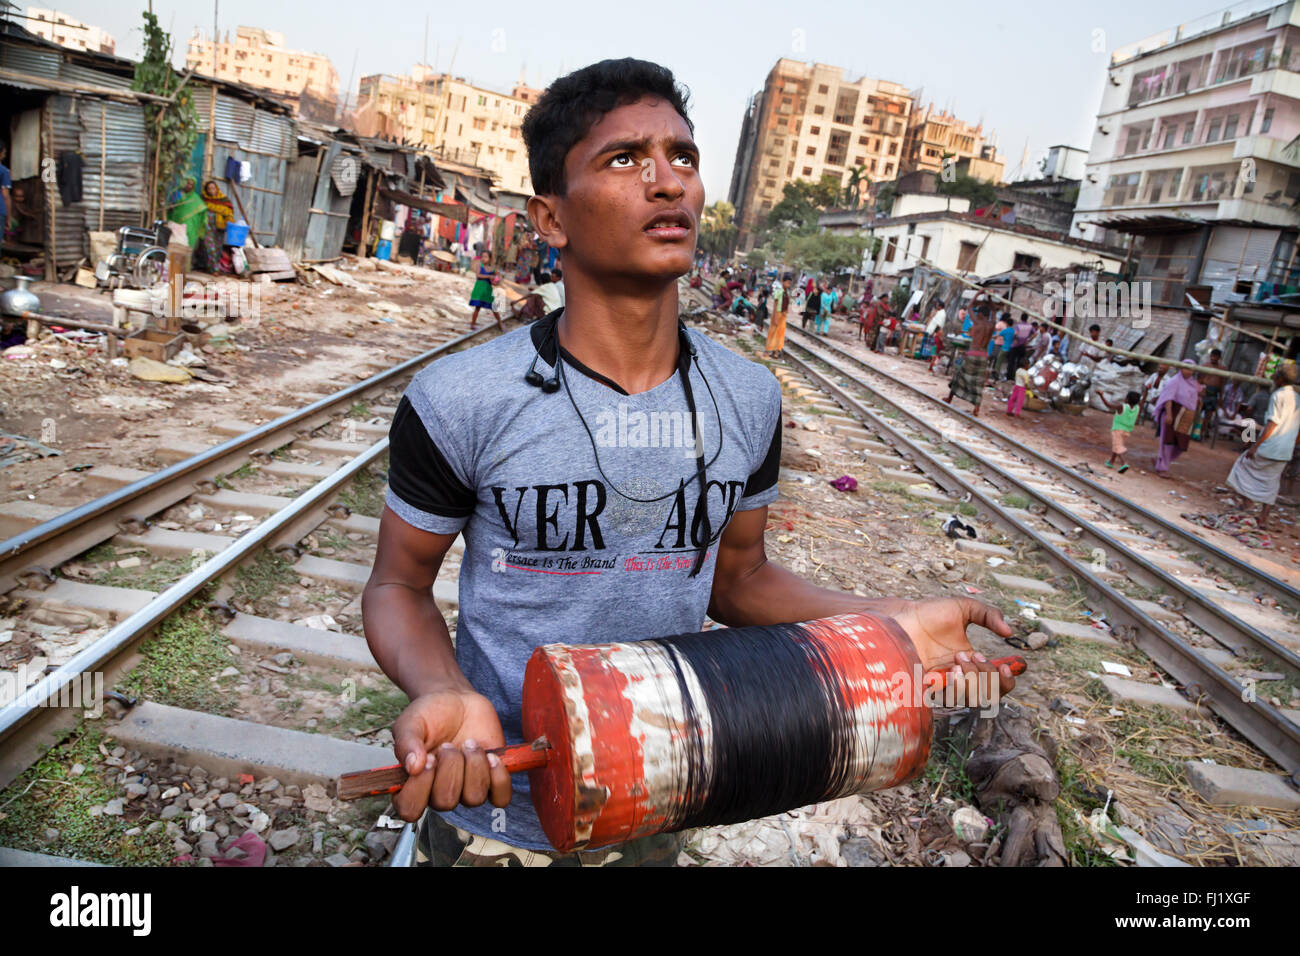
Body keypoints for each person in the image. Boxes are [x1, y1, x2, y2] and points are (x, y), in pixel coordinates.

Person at [366, 58, 1015, 868]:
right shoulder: (463, 398)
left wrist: (888, 626)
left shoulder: (747, 399)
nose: (669, 183)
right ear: (551, 218)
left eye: (684, 157)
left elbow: (738, 579)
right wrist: (445, 691)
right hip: (496, 812)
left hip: (660, 801)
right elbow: (398, 585)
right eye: (625, 159)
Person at [1227, 362, 1300, 527]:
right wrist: (1291, 443)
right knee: (1272, 482)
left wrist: (1255, 446)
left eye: (1275, 374)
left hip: (1270, 444)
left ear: (1280, 379)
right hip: (1284, 449)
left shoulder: (1277, 395)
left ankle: (1247, 502)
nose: (1272, 377)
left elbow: (1272, 424)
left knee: (1241, 466)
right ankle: (1263, 518)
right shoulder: (1296, 397)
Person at [1153, 359, 1203, 477]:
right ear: (1180, 368)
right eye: (1186, 368)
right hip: (1172, 414)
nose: (1189, 372)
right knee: (1167, 441)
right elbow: (1168, 398)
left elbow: (1195, 398)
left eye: (1191, 369)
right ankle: (1162, 467)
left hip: (1185, 418)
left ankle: (1162, 461)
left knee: (1180, 444)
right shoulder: (1175, 381)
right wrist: (1169, 414)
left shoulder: (1192, 383)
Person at [946, 298, 995, 416]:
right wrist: (990, 301)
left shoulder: (977, 322)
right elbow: (993, 312)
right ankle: (977, 407)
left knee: (959, 375)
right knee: (978, 382)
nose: (977, 314)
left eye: (978, 313)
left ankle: (949, 398)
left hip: (973, 354)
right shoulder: (991, 325)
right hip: (983, 356)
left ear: (982, 314)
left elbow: (969, 307)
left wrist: (979, 294)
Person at [1099, 389, 1141, 473]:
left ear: (1127, 399)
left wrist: (1101, 395)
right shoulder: (1137, 408)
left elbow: (1108, 406)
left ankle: (1123, 463)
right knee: (1118, 445)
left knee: (1118, 446)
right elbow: (1143, 401)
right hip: (1127, 431)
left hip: (1118, 429)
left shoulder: (1122, 407)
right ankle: (1111, 461)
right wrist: (1146, 391)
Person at [468, 250, 504, 330]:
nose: (483, 258)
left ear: (490, 259)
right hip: (479, 290)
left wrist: (497, 279)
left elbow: (497, 278)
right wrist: (489, 277)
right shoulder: (479, 266)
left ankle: (500, 323)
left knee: (494, 307)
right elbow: (478, 275)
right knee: (477, 307)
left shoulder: (492, 269)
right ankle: (473, 324)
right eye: (482, 257)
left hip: (488, 291)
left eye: (486, 257)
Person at [765, 273, 791, 358]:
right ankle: (769, 349)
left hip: (783, 315)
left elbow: (787, 302)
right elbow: (775, 303)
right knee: (773, 332)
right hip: (777, 314)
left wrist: (787, 310)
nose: (788, 284)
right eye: (787, 282)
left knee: (780, 333)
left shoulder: (787, 292)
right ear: (783, 282)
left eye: (789, 283)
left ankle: (776, 350)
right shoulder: (779, 291)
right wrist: (775, 317)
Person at [1007, 313, 1033, 379]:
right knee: (1020, 363)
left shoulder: (1018, 325)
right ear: (1027, 319)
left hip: (1015, 346)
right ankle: (1017, 377)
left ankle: (1009, 377)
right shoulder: (1030, 326)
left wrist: (1015, 339)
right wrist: (1028, 340)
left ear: (1021, 318)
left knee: (1011, 362)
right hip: (1023, 346)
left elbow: (1015, 334)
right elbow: (1035, 333)